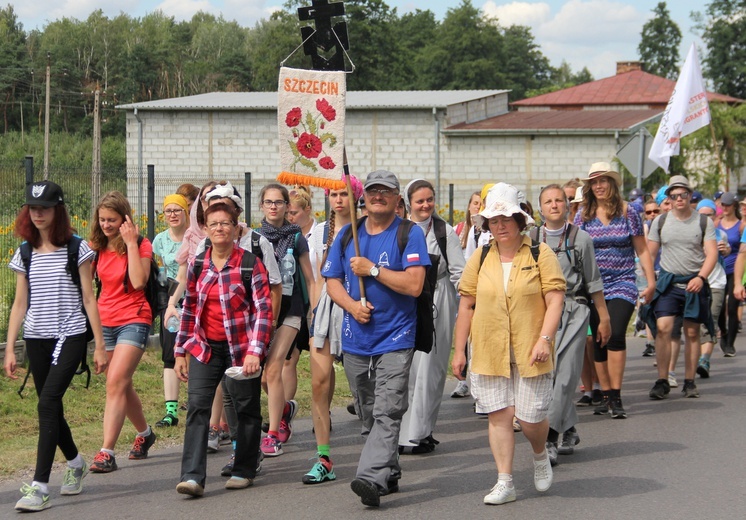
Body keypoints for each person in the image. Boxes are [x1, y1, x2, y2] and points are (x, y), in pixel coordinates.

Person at [452, 182, 565, 506]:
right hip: (489, 347)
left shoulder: (540, 253)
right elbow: (466, 305)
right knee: (499, 416)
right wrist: (459, 351)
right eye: (493, 221)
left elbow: (555, 299)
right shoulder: (481, 255)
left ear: (519, 221)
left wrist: (545, 338)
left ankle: (540, 453)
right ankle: (505, 481)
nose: (500, 226)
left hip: (532, 347)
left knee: (530, 418)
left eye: (506, 219)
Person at [322, 169, 430, 507]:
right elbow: (332, 281)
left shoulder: (409, 234)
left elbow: (414, 285)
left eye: (385, 191)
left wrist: (373, 270)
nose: (377, 196)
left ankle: (369, 478)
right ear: (363, 197)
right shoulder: (346, 236)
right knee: (368, 413)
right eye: (372, 191)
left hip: (397, 336)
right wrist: (353, 306)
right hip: (356, 338)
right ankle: (388, 471)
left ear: (398, 199)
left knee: (388, 408)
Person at [4, 181, 106, 512]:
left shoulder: (77, 248)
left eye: (44, 208)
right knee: (51, 407)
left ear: (57, 210)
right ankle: (75, 463)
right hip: (36, 337)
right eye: (32, 208)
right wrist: (9, 348)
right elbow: (19, 303)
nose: (37, 214)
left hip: (72, 334)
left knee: (47, 403)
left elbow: (90, 299)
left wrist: (100, 346)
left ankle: (39, 486)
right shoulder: (25, 251)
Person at [173, 203, 273, 497]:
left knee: (245, 409)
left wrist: (255, 352)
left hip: (242, 349)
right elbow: (189, 308)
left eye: (226, 223)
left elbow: (264, 311)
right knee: (197, 408)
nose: (219, 228)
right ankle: (192, 477)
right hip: (205, 348)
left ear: (235, 227)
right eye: (214, 223)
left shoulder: (249, 263)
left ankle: (244, 469)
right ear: (205, 228)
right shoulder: (199, 264)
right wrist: (181, 351)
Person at [534, 184, 610, 466]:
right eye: (548, 201)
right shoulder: (531, 239)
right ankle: (570, 427)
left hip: (575, 309)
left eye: (559, 200)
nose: (554, 205)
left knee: (565, 376)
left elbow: (593, 282)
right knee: (547, 376)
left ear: (567, 205)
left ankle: (550, 438)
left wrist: (604, 317)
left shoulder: (582, 239)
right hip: (541, 312)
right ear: (540, 207)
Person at [574, 162, 655, 419]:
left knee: (616, 334)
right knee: (598, 339)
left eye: (603, 181)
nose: (599, 186)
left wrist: (650, 281)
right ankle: (605, 393)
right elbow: (575, 252)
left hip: (623, 282)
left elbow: (641, 249)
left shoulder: (627, 212)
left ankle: (617, 397)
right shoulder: (582, 216)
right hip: (592, 287)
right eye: (594, 182)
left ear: (612, 183)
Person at [89, 191, 157, 473]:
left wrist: (129, 242)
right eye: (102, 219)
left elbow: (139, 281)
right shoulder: (95, 247)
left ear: (124, 219)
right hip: (105, 322)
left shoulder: (140, 244)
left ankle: (106, 452)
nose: (106, 225)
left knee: (115, 381)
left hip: (134, 318)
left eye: (112, 220)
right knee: (122, 384)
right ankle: (145, 433)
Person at [303, 174, 363, 484]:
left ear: (355, 197)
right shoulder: (318, 233)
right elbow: (315, 278)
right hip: (325, 307)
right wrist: (314, 315)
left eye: (344, 194)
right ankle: (324, 457)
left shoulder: (365, 228)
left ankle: (380, 452)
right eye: (333, 194)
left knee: (363, 385)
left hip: (356, 304)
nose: (338, 199)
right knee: (319, 381)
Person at [398, 179, 465, 453]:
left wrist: (470, 302)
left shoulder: (444, 231)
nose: (425, 205)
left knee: (432, 369)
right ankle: (404, 432)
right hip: (408, 301)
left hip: (439, 299)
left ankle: (421, 432)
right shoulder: (400, 230)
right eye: (419, 201)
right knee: (407, 369)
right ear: (408, 203)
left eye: (429, 200)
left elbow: (459, 271)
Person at [256, 183, 316, 457]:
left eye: (278, 202)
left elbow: (310, 279)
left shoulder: (296, 238)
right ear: (261, 206)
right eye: (268, 202)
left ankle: (272, 434)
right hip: (263, 311)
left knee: (274, 369)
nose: (273, 207)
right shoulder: (254, 238)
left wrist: (313, 310)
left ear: (286, 207)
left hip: (291, 310)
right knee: (261, 376)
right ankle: (285, 408)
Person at [645, 176, 717, 399]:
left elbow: (712, 253)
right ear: (669, 198)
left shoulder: (703, 222)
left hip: (694, 283)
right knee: (663, 327)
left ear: (689, 195)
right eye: (674, 196)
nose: (678, 199)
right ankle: (662, 380)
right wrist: (649, 283)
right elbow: (650, 253)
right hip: (668, 282)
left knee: (692, 332)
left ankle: (689, 381)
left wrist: (701, 278)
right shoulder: (661, 222)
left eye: (683, 194)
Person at [152, 194, 189, 428]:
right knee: (170, 353)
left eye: (178, 210)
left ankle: (197, 402)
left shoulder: (194, 238)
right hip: (170, 300)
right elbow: (162, 269)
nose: (173, 215)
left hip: (193, 297)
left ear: (186, 212)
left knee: (194, 354)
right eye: (168, 211)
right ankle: (171, 411)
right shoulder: (160, 240)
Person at [695, 199, 728, 378]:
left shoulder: (720, 234)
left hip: (717, 282)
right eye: (703, 215)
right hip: (696, 282)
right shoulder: (691, 234)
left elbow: (726, 253)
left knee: (711, 321)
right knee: (697, 323)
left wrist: (725, 250)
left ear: (715, 216)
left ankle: (704, 359)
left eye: (710, 214)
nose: (706, 218)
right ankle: (698, 356)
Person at [716, 192, 743, 357]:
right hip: (718, 270)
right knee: (719, 307)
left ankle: (730, 344)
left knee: (732, 307)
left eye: (728, 205)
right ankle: (723, 331)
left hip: (734, 270)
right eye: (722, 205)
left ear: (734, 206)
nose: (724, 208)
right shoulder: (716, 224)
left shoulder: (741, 226)